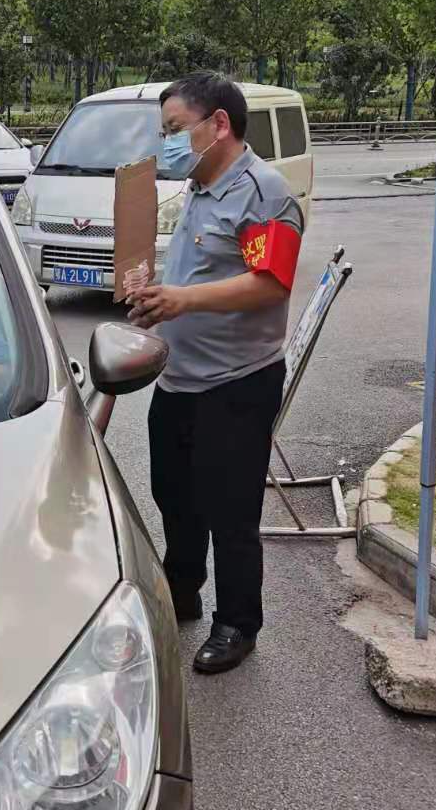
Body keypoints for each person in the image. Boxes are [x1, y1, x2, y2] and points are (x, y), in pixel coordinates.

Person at [129, 73, 304, 674]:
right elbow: (200, 273)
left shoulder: (263, 193)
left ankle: (237, 622)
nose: (169, 142)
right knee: (175, 496)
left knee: (231, 510)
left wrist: (181, 301)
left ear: (219, 124)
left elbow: (269, 283)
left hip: (236, 382)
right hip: (178, 379)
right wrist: (154, 295)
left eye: (176, 128)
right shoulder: (199, 189)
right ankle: (182, 593)